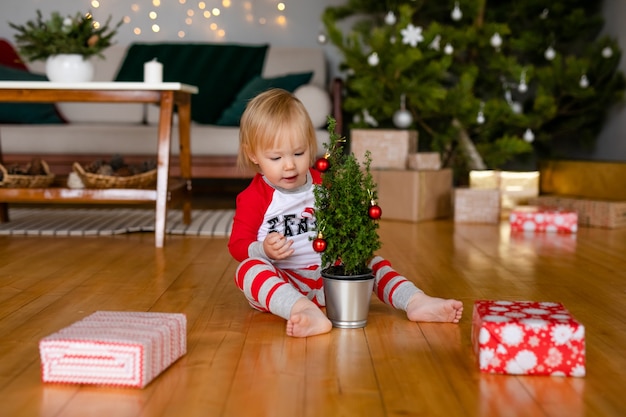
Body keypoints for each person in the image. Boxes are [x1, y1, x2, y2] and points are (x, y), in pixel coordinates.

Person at [228, 88, 463, 337]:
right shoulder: (255, 197)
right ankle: (303, 310)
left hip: (333, 279)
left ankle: (415, 301)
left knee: (370, 262)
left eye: (299, 153)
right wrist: (263, 249)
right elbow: (237, 245)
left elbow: (344, 220)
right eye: (276, 157)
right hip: (286, 282)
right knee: (248, 269)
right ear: (253, 154)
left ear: (310, 145)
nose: (289, 165)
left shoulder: (322, 184)